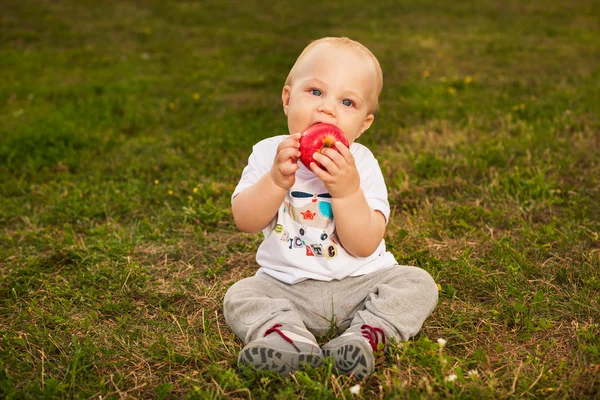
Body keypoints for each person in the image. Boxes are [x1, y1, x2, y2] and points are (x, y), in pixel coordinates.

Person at [224, 37, 438, 380]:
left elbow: (364, 244)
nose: (327, 109)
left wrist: (347, 191)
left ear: (363, 124)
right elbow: (245, 221)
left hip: (361, 283)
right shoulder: (268, 154)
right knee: (242, 294)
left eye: (347, 101)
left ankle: (366, 336)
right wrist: (276, 182)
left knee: (416, 282)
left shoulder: (363, 165)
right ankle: (287, 337)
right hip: (287, 286)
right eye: (315, 92)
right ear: (286, 98)